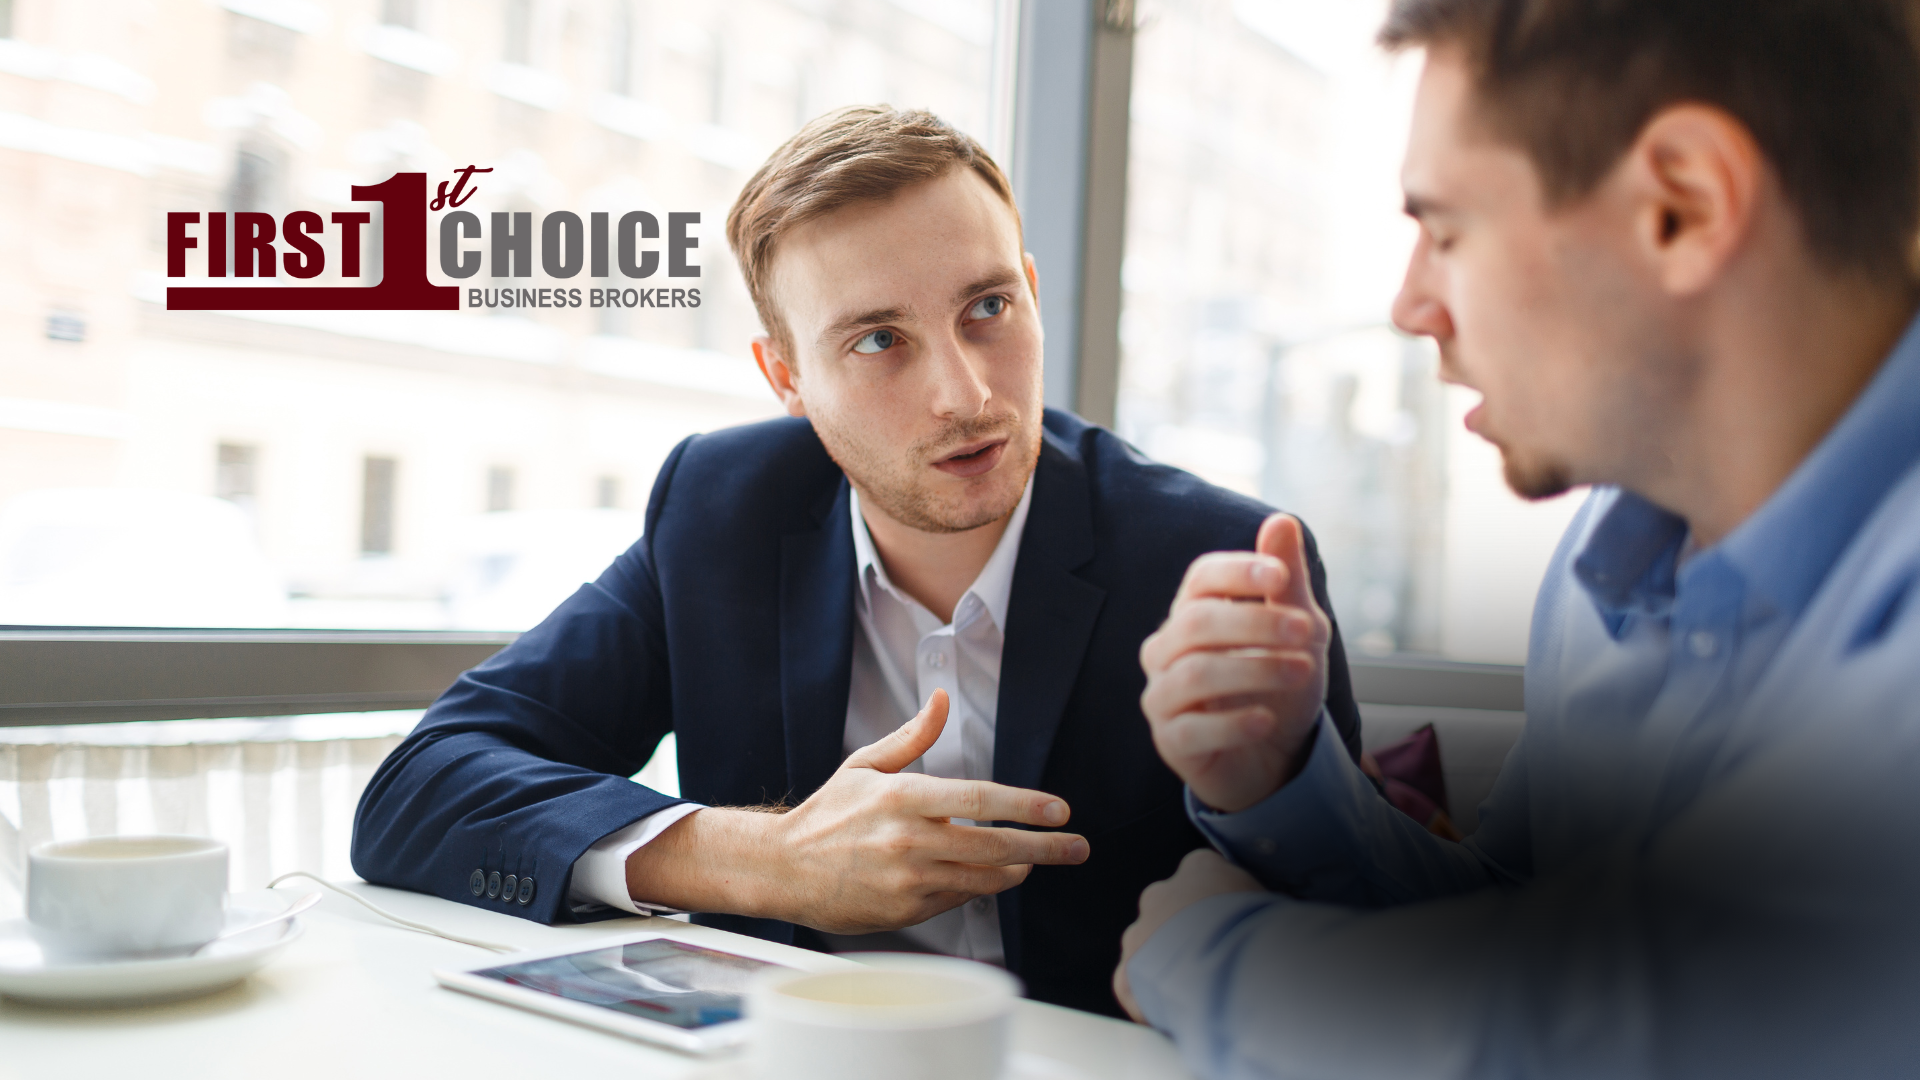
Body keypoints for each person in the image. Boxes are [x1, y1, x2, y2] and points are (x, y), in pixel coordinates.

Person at [351, 106, 1366, 1016]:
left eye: (989, 307)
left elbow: (1365, 934)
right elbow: (422, 788)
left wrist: (1276, 790)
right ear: (785, 376)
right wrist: (768, 862)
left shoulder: (1219, 557)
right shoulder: (721, 511)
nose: (964, 393)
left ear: (1033, 294)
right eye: (880, 341)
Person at [1115, 0, 1920, 1074]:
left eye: (1445, 230)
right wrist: (1284, 782)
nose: (1410, 306)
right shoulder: (1607, 573)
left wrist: (1213, 959)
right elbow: (1540, 929)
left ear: (1680, 206)